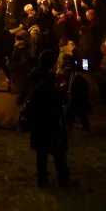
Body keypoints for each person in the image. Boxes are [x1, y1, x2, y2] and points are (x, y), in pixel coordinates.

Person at [24, 49, 70, 188]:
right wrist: (62, 94)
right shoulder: (47, 81)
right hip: (49, 121)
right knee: (57, 151)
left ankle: (42, 179)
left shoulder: (37, 76)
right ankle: (63, 180)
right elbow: (50, 100)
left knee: (42, 152)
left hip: (39, 122)